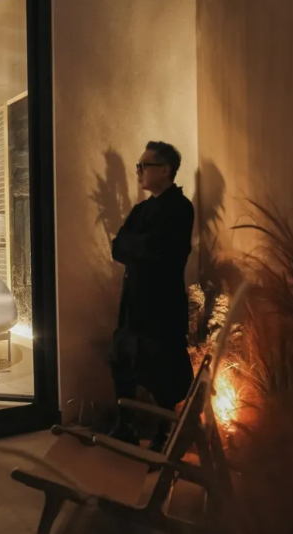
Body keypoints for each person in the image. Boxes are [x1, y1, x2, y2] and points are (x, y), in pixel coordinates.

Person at [108, 141, 195, 451]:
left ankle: (164, 436)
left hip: (162, 304)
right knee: (122, 359)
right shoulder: (142, 209)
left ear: (165, 170)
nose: (138, 172)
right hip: (133, 303)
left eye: (144, 166)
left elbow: (159, 253)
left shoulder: (180, 208)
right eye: (139, 165)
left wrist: (138, 246)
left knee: (163, 369)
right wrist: (141, 247)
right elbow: (118, 247)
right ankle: (126, 427)